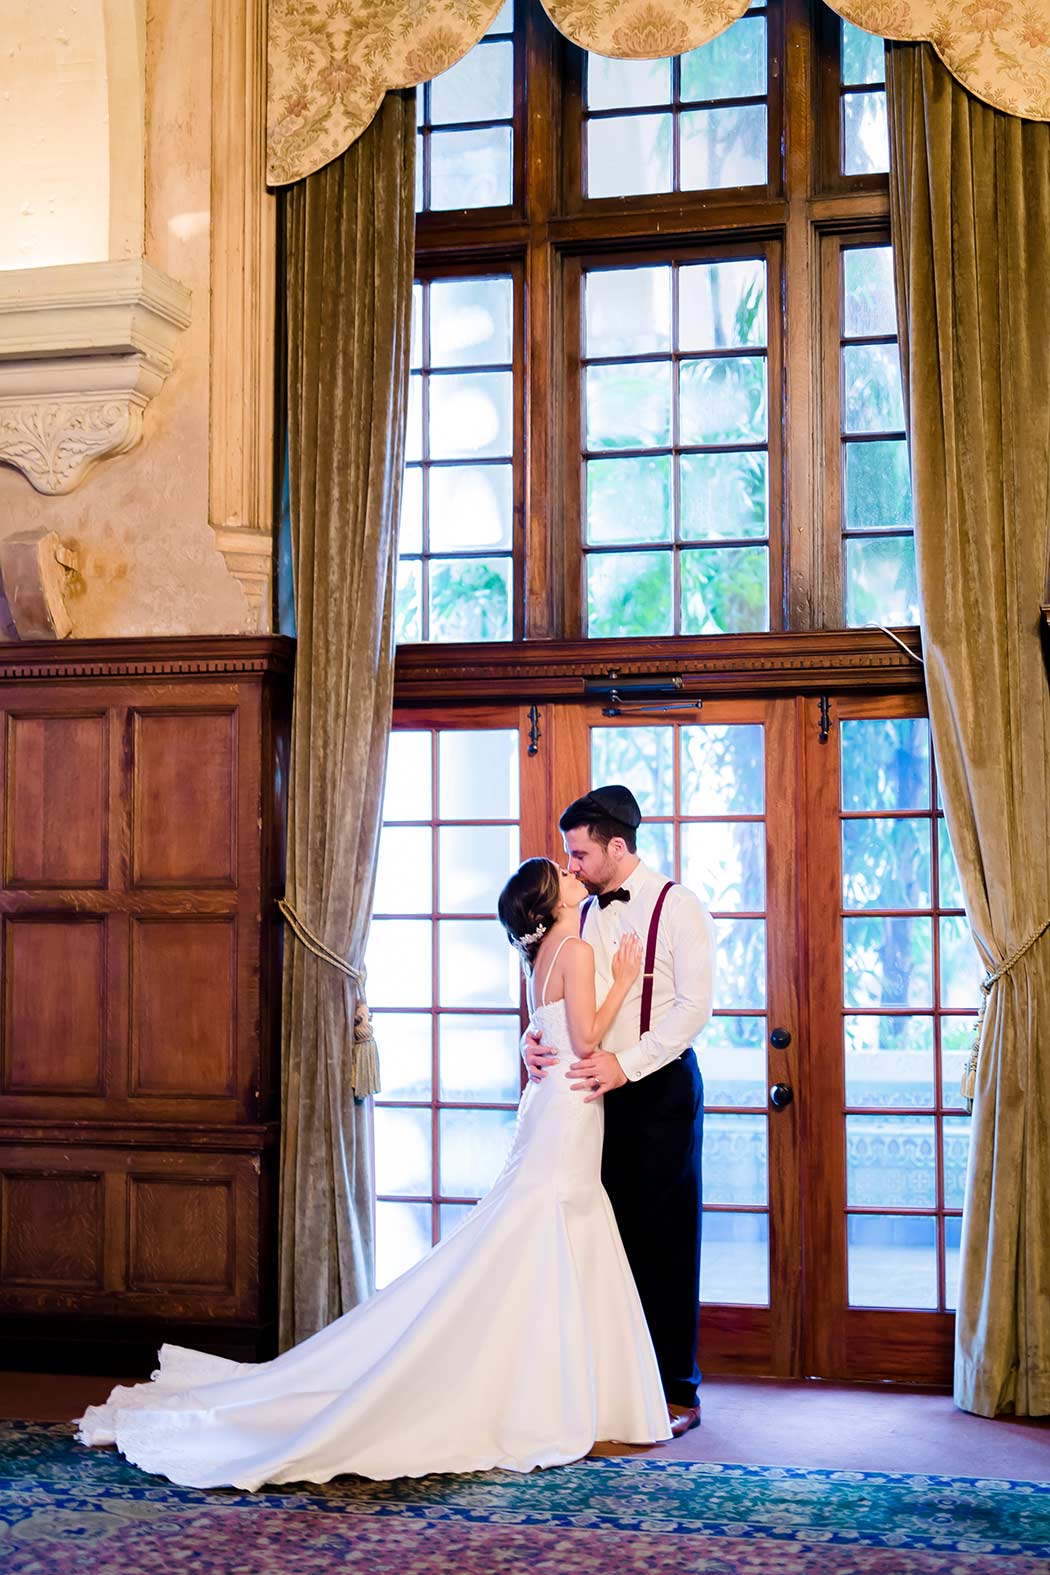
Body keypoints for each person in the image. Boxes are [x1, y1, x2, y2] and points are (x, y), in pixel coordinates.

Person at [76, 856, 671, 1489]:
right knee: (545, 1227)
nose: (572, 874)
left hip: (553, 1104)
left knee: (543, 1228)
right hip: (569, 1103)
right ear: (551, 900)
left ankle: (567, 1387)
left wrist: (543, 1033)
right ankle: (549, 1390)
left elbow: (547, 1029)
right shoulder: (575, 948)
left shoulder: (541, 954)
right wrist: (624, 982)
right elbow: (584, 1042)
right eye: (563, 872)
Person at [523, 785, 715, 1438]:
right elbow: (560, 994)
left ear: (617, 845)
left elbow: (695, 1008)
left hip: (658, 1087)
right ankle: (608, 1382)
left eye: (579, 854)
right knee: (604, 1234)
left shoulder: (679, 906)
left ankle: (674, 1390)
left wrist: (626, 1064)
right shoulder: (576, 916)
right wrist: (533, 1039)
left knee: (666, 1237)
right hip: (588, 1095)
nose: (569, 867)